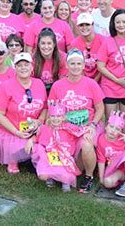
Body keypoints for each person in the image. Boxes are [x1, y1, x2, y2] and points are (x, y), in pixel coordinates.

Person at [48, 48, 105, 193]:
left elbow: (100, 108)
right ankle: (60, 171)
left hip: (88, 125)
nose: (75, 67)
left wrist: (93, 125)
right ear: (66, 65)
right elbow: (51, 108)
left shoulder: (91, 84)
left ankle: (89, 176)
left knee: (86, 144)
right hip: (65, 127)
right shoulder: (57, 86)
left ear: (83, 65)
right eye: (72, 63)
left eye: (79, 64)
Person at [0, 52, 47, 174]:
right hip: (12, 131)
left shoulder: (39, 84)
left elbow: (45, 108)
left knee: (41, 149)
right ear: (15, 68)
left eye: (26, 64)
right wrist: (16, 132)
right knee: (23, 150)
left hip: (34, 129)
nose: (23, 68)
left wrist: (39, 122)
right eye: (19, 65)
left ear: (32, 67)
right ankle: (14, 159)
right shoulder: (6, 86)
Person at [26, 101, 87, 192]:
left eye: (58, 116)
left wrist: (87, 133)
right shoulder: (45, 128)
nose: (55, 119)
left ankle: (64, 181)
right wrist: (31, 140)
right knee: (43, 175)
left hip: (64, 157)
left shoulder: (69, 128)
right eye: (53, 116)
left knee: (65, 176)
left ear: (63, 117)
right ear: (49, 117)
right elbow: (38, 137)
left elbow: (81, 131)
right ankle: (51, 177)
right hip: (49, 157)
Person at [97, 9, 125, 130]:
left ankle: (124, 147)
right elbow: (100, 66)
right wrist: (117, 80)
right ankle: (109, 148)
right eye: (118, 22)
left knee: (124, 123)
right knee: (111, 122)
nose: (121, 25)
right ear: (113, 23)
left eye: (124, 21)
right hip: (110, 86)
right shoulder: (108, 41)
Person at [70, 13, 104, 81]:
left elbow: (105, 65)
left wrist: (94, 81)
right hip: (82, 80)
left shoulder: (103, 41)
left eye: (87, 24)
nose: (84, 27)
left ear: (93, 25)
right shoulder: (74, 44)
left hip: (101, 79)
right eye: (81, 25)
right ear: (77, 27)